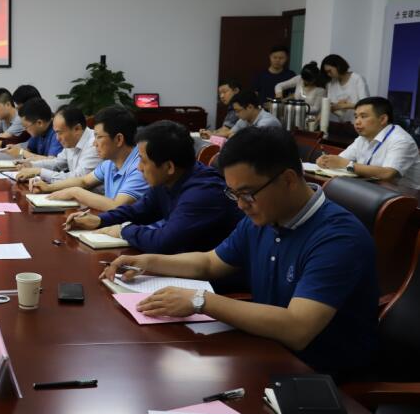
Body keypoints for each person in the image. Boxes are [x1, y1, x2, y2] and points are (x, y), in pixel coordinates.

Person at [101, 127, 378, 378]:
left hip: (319, 378)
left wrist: (200, 301)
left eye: (247, 193)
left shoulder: (338, 238)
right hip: (265, 351)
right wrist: (148, 261)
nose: (241, 205)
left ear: (288, 180)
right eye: (234, 194)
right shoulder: (265, 217)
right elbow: (210, 262)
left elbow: (297, 328)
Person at [64, 121, 242, 253]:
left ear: (169, 167)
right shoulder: (168, 179)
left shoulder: (202, 193)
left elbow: (165, 242)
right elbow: (138, 211)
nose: (139, 167)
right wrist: (100, 220)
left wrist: (123, 230)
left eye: (143, 160)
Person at [42, 106, 149, 211]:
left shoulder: (141, 167)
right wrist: (48, 188)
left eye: (99, 137)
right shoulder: (110, 162)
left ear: (119, 139)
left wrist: (74, 192)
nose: (94, 143)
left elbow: (117, 206)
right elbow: (84, 181)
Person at [317, 96, 420, 187]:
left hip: (405, 196)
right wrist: (326, 161)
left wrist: (347, 165)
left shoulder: (401, 140)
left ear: (383, 119)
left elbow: (387, 174)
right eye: (356, 117)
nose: (357, 122)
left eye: (363, 116)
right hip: (372, 188)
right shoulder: (363, 138)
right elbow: (341, 160)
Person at [17, 104, 101, 187]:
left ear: (77, 129)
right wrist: (32, 165)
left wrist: (40, 172)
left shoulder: (94, 145)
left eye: (59, 132)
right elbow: (57, 163)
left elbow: (78, 179)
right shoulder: (72, 141)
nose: (57, 138)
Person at [323, 54, 369, 123]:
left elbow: (366, 104)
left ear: (338, 66)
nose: (328, 74)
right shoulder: (331, 83)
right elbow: (332, 105)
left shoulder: (357, 79)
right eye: (326, 72)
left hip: (358, 123)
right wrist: (335, 106)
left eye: (330, 71)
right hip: (343, 123)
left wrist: (344, 106)